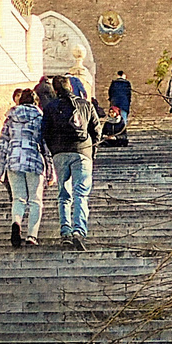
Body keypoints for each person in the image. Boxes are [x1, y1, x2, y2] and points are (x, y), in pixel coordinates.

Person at [41, 74, 101, 250]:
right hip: (82, 152)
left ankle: (65, 231)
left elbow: (44, 132)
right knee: (81, 194)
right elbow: (97, 130)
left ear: (55, 89)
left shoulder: (51, 107)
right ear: (71, 87)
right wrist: (91, 152)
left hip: (60, 153)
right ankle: (79, 231)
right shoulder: (86, 105)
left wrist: (54, 151)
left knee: (64, 195)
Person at [0, 88, 54, 246]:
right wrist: (50, 170)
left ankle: (16, 223)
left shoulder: (10, 118)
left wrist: (0, 171)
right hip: (34, 159)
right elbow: (46, 145)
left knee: (18, 199)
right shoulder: (40, 118)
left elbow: (3, 144)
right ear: (36, 102)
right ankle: (32, 236)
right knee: (35, 200)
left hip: (13, 160)